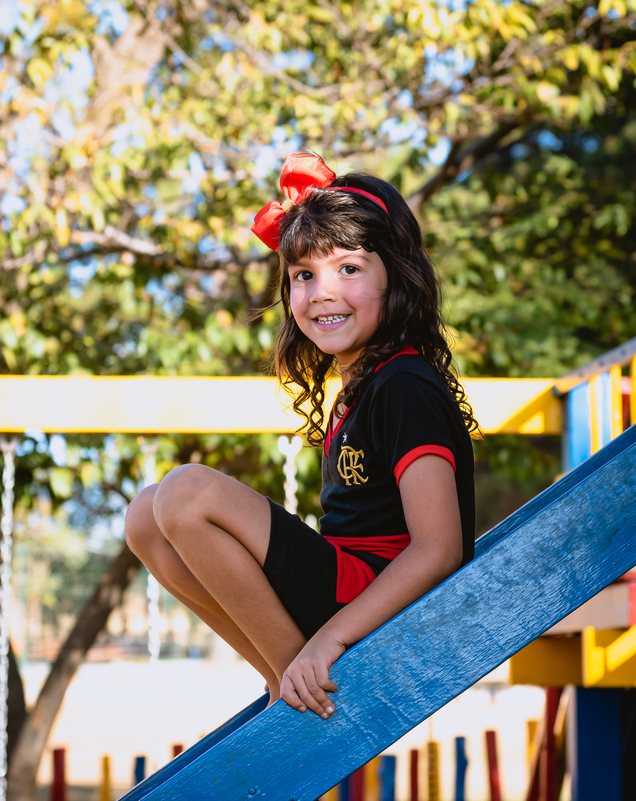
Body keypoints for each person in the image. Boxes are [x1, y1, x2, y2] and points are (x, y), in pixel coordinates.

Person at [124, 153, 479, 720]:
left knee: (189, 491)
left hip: (376, 597)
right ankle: (280, 675)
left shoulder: (405, 385)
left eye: (349, 269)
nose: (321, 292)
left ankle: (302, 675)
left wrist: (329, 641)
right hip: (344, 585)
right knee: (146, 515)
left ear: (396, 272)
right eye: (303, 276)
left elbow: (440, 549)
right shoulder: (361, 389)